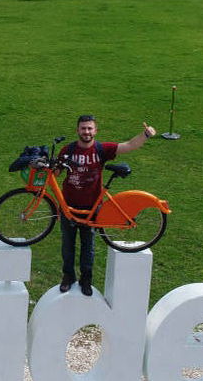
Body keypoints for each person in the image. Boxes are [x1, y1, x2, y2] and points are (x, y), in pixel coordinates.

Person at [57, 115, 157, 296]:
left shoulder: (101, 149)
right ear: (77, 130)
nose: (86, 132)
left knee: (89, 247)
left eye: (89, 128)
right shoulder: (68, 150)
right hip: (68, 206)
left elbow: (129, 145)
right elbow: (55, 172)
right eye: (83, 128)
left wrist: (146, 135)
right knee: (67, 246)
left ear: (95, 131)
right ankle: (68, 277)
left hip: (92, 207)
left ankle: (86, 280)